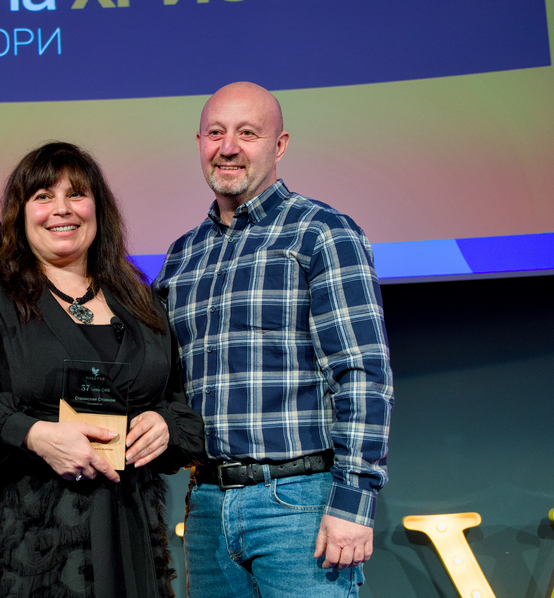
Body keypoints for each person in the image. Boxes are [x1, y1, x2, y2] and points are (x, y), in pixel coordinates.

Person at [0, 141, 205, 598]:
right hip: (21, 545)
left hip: (126, 534)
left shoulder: (141, 302)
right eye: (43, 196)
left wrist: (166, 425)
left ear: (98, 208)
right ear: (20, 213)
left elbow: (178, 403)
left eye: (76, 194)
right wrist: (31, 434)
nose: (61, 209)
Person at [153, 82, 394, 597]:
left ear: (279, 145)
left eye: (247, 133)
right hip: (207, 507)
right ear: (199, 142)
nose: (228, 147)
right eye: (215, 133)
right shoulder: (181, 256)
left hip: (298, 505)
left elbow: (362, 374)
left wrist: (354, 502)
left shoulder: (322, 232)